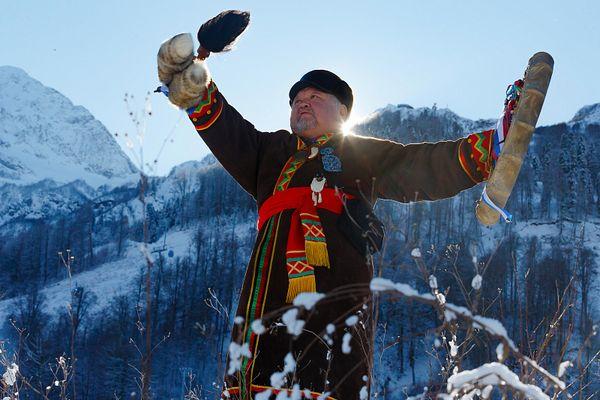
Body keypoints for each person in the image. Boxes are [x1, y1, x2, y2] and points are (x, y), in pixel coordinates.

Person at [157, 33, 499, 400]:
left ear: (343, 112)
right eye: (297, 100)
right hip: (267, 297)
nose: (303, 103)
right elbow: (229, 132)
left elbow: (422, 164)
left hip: (336, 292)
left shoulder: (359, 153)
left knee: (330, 373)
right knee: (256, 374)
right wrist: (197, 88)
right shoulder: (271, 152)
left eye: (315, 97)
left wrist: (490, 150)